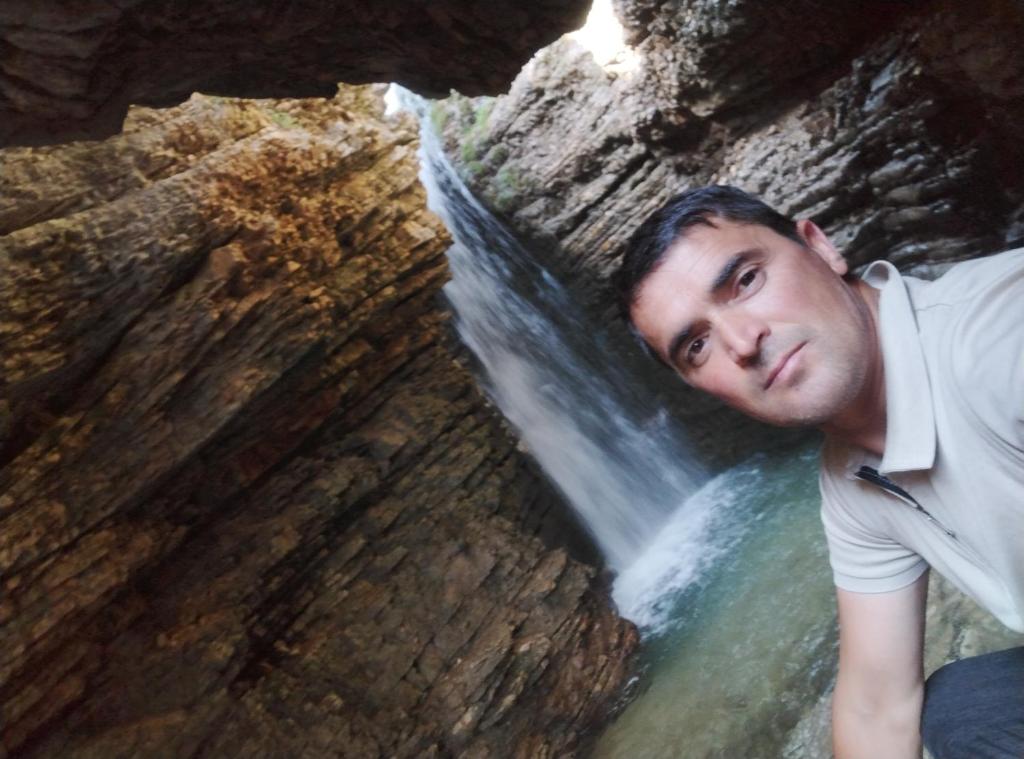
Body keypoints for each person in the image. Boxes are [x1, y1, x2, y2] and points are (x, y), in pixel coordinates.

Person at [613, 185, 1024, 759]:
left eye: (746, 280)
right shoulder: (853, 480)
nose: (742, 341)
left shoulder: (998, 339)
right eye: (698, 345)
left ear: (820, 246)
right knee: (963, 707)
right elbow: (876, 705)